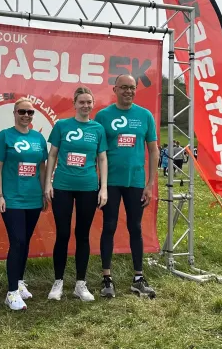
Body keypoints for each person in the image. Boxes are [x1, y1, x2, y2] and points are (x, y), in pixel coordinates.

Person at [94, 74, 159, 299]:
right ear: (115, 89)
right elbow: (97, 152)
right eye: (124, 87)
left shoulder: (145, 115)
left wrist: (150, 184)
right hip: (110, 182)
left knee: (136, 228)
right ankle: (106, 279)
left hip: (136, 183)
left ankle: (138, 279)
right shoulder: (103, 116)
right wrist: (100, 183)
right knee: (109, 226)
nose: (128, 91)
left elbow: (153, 150)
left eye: (132, 88)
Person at [44, 86, 108, 302]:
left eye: (89, 102)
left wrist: (104, 187)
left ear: (93, 104)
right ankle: (58, 282)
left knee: (82, 234)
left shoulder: (98, 129)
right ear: (74, 104)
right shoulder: (62, 126)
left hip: (88, 187)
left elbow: (102, 159)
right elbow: (52, 155)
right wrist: (48, 183)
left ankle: (81, 284)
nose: (85, 105)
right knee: (62, 234)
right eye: (81, 102)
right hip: (62, 186)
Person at [0, 97, 48, 310]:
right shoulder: (5, 136)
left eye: (30, 112)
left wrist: (45, 192)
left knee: (25, 241)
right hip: (12, 199)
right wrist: (0, 195)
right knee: (16, 241)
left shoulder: (38, 138)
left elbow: (42, 167)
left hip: (33, 198)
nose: (26, 115)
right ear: (14, 113)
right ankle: (11, 292)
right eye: (22, 111)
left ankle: (19, 280)